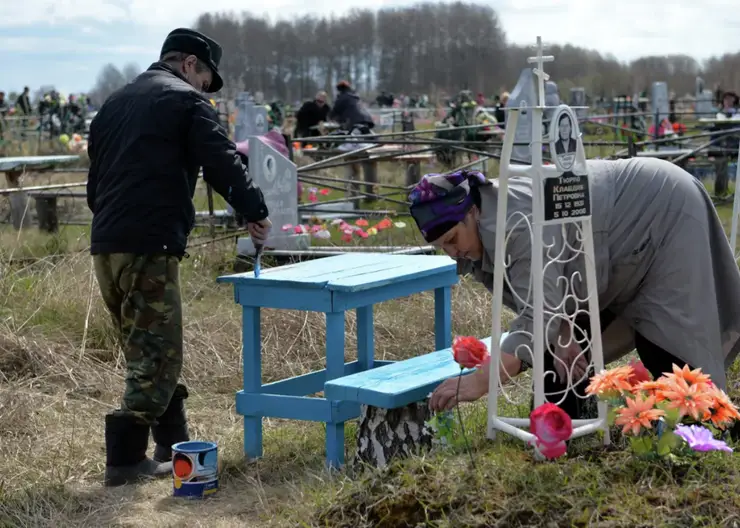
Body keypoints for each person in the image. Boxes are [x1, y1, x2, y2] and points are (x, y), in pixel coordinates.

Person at [408, 161, 740, 419]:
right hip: (615, 248)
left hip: (659, 211)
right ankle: (567, 440)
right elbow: (546, 283)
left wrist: (480, 382)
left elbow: (538, 315)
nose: (452, 252)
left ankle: (711, 432)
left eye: (452, 240)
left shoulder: (514, 223)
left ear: (473, 212)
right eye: (441, 247)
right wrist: (562, 328)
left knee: (670, 350)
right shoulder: (483, 235)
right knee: (558, 365)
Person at [87, 27, 272, 487]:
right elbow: (223, 162)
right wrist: (256, 212)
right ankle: (126, 462)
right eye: (207, 78)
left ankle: (174, 445)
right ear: (190, 64)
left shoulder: (114, 103)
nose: (206, 88)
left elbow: (95, 184)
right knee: (156, 354)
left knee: (149, 347)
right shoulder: (187, 103)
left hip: (107, 242)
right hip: (149, 242)